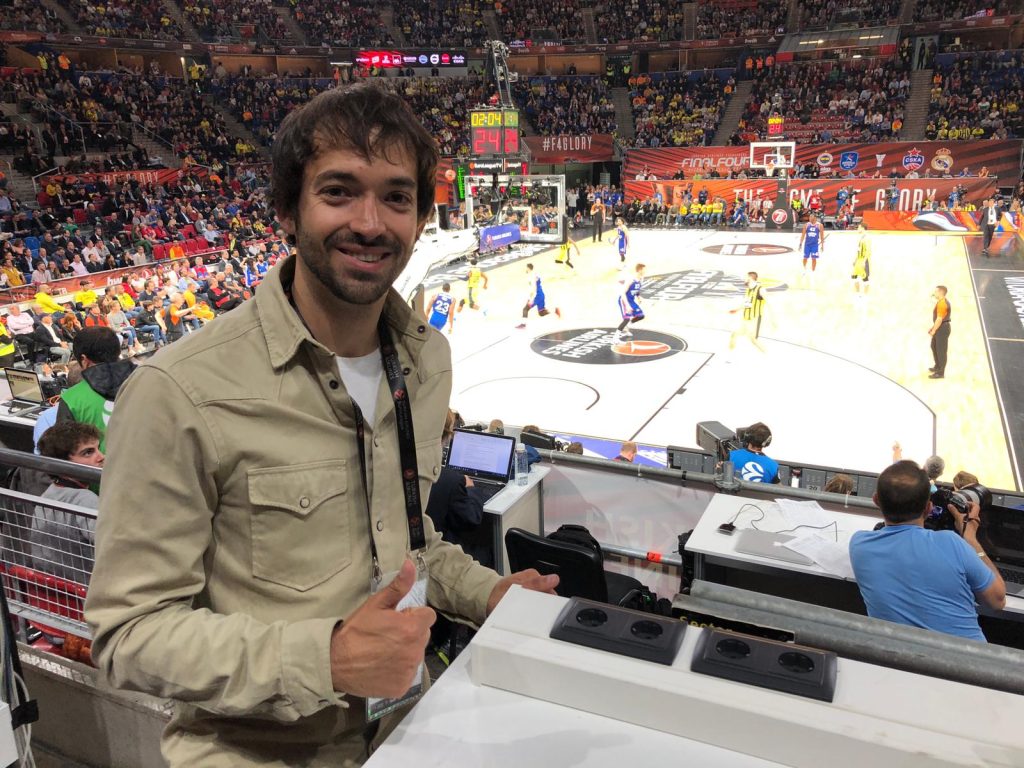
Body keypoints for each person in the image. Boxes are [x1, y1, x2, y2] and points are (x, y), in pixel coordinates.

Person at [84, 84, 557, 768]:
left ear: (421, 218)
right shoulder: (179, 391)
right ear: (285, 210)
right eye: (339, 191)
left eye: (396, 197)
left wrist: (490, 593)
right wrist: (325, 659)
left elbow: (405, 549)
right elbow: (128, 638)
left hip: (409, 734)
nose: (370, 222)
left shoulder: (428, 362)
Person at [849, 460, 1005, 641]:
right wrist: (970, 538)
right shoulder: (952, 543)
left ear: (876, 500)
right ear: (929, 508)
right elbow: (997, 601)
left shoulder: (859, 545)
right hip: (967, 664)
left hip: (899, 664)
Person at [31, 421, 104, 583]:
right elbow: (114, 546)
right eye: (88, 453)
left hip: (53, 596)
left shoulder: (46, 496)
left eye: (98, 448)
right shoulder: (85, 500)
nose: (101, 457)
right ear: (63, 463)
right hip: (86, 594)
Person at [56, 327, 134, 452]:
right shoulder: (147, 379)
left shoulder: (72, 398)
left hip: (103, 470)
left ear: (84, 359)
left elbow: (64, 450)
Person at [728, 271, 766, 354]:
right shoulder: (748, 290)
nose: (744, 280)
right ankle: (728, 355)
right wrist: (737, 309)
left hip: (754, 319)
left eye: (746, 278)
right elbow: (747, 303)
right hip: (746, 318)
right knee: (734, 335)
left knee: (753, 340)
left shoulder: (760, 289)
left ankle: (767, 354)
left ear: (750, 278)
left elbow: (769, 303)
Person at [517, 262, 560, 329]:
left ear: (528, 268)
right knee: (541, 313)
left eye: (526, 268)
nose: (525, 269)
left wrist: (531, 300)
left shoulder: (532, 276)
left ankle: (523, 324)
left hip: (536, 296)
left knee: (525, 309)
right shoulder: (535, 274)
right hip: (541, 295)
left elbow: (534, 288)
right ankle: (555, 310)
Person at [615, 263, 645, 338]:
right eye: (644, 270)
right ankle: (616, 337)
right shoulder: (631, 279)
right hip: (624, 300)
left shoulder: (641, 279)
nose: (645, 271)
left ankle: (626, 327)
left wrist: (638, 297)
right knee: (626, 318)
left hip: (631, 301)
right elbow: (623, 293)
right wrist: (627, 305)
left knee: (641, 316)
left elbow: (637, 290)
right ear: (640, 270)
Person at [928, 285, 950, 379]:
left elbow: (939, 319)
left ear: (941, 292)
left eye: (936, 291)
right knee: (934, 346)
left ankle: (940, 373)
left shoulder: (942, 304)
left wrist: (933, 330)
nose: (934, 293)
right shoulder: (941, 301)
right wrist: (933, 328)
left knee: (941, 351)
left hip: (942, 329)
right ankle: (937, 366)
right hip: (940, 328)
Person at [799, 212, 824, 277]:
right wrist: (800, 244)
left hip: (814, 245)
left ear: (815, 218)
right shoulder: (806, 225)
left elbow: (822, 236)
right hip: (807, 244)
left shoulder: (819, 225)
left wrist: (822, 246)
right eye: (809, 217)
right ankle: (804, 269)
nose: (809, 218)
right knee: (805, 258)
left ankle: (813, 271)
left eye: (811, 217)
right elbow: (803, 235)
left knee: (814, 258)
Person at [851, 223, 870, 295]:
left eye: (858, 227)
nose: (857, 229)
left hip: (863, 260)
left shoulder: (866, 238)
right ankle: (858, 294)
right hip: (859, 260)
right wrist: (855, 260)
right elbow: (859, 250)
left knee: (865, 278)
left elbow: (868, 251)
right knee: (854, 276)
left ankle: (865, 296)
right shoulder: (861, 237)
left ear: (862, 228)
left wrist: (864, 261)